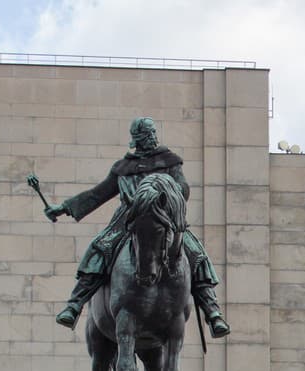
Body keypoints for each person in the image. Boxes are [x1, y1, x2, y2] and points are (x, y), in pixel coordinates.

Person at [43, 117, 230, 337]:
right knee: (99, 248)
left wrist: (167, 196)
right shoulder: (123, 167)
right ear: (137, 140)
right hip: (128, 220)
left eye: (152, 135)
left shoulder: (169, 161)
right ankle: (74, 305)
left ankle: (212, 311)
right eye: (145, 137)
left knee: (196, 252)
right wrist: (64, 208)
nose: (150, 139)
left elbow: (183, 188)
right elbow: (97, 194)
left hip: (164, 219)